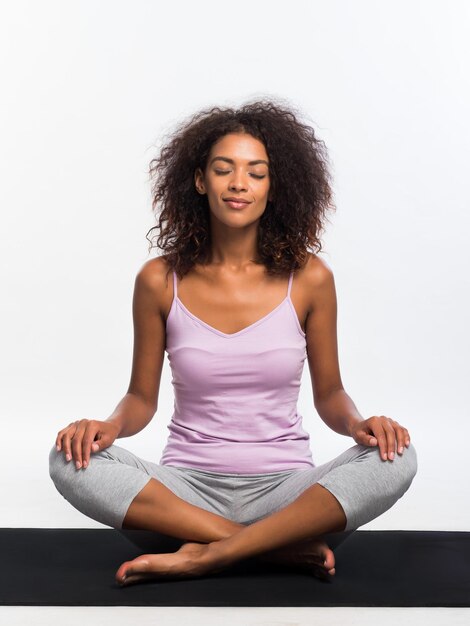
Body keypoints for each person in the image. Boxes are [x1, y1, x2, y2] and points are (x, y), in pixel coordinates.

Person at [49, 98, 418, 587]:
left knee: (398, 457)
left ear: (273, 185)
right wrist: (108, 427)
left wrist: (359, 425)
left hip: (289, 493)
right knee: (67, 458)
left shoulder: (309, 278)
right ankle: (273, 551)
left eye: (256, 172)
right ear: (201, 181)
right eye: (224, 170)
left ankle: (206, 556)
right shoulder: (160, 279)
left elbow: (329, 394)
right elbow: (141, 399)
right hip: (183, 498)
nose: (239, 184)